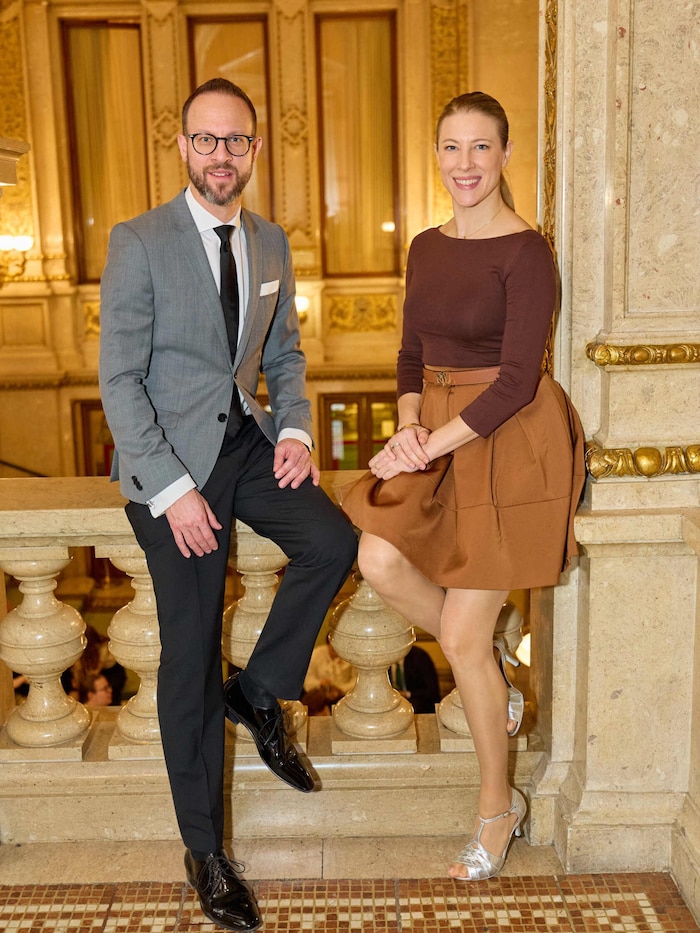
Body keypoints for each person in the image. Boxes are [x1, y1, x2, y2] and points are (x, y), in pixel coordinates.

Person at [99, 78, 357, 932]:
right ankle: (205, 853)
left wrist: (296, 434)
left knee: (330, 540)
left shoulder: (272, 242)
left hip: (244, 441)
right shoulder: (138, 241)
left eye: (235, 141)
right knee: (187, 648)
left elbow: (284, 356)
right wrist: (173, 492)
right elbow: (119, 384)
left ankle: (261, 688)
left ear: (254, 148)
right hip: (167, 462)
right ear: (182, 146)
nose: (221, 155)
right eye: (205, 140)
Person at [341, 91, 585, 882]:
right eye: (452, 148)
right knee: (377, 560)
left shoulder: (527, 251)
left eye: (481, 148)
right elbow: (411, 356)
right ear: (437, 154)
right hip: (439, 429)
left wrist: (426, 446)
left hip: (507, 439)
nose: (466, 164)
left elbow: (517, 381)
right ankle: (497, 678)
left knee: (466, 638)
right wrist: (409, 425)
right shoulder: (424, 245)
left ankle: (496, 806)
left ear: (506, 154)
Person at [301, 634, 357, 715]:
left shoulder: (351, 656)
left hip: (344, 695)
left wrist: (341, 689)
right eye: (333, 649)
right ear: (328, 644)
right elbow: (307, 681)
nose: (337, 653)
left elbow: (357, 679)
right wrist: (320, 683)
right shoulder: (316, 654)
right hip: (320, 695)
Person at [391, 644, 441, 714]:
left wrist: (407, 694)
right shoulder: (381, 659)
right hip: (392, 702)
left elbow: (432, 691)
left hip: (417, 701)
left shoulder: (419, 657)